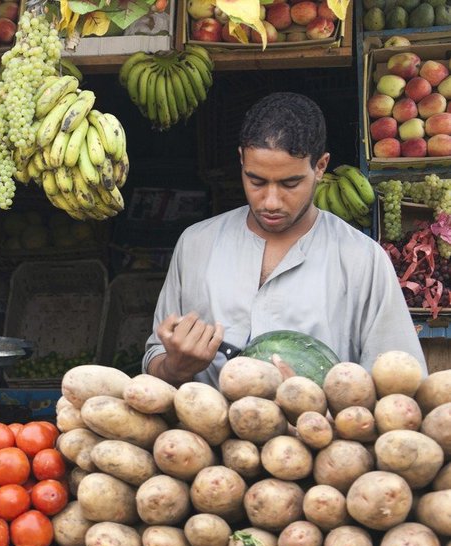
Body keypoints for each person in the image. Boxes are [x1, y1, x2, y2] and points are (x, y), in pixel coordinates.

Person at [143, 92, 426, 387]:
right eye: (256, 181)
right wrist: (175, 367)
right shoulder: (196, 243)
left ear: (320, 167)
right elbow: (155, 360)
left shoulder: (362, 259)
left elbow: (401, 380)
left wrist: (321, 407)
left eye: (290, 183)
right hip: (201, 431)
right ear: (241, 159)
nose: (271, 202)